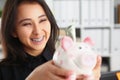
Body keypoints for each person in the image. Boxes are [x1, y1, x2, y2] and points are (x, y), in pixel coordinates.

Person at [0, 0, 102, 80]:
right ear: (13, 31)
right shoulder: (3, 71)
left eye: (42, 20)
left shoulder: (66, 61)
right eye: (27, 24)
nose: (38, 31)